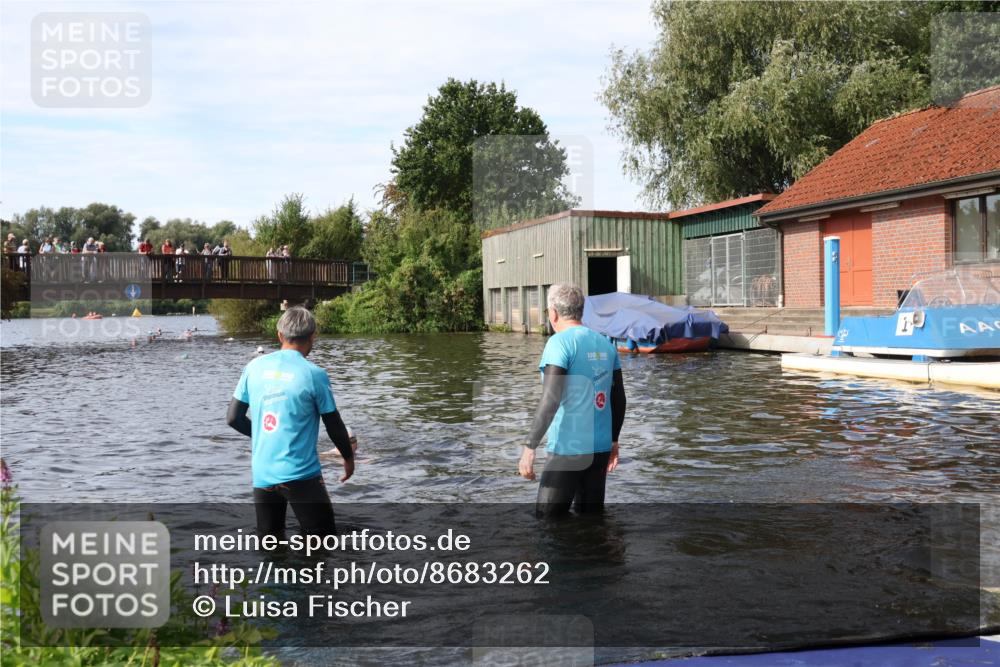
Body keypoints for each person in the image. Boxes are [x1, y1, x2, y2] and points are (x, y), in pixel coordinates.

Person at [226, 306, 355, 537]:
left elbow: (233, 418)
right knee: (322, 545)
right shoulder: (314, 374)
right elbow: (334, 423)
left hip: (263, 475)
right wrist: (348, 458)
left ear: (279, 335)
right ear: (312, 336)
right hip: (302, 476)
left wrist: (265, 435)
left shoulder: (253, 367)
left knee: (271, 546)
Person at [518, 283, 627, 517]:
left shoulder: (559, 343)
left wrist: (530, 447)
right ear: (581, 311)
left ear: (553, 313)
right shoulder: (606, 345)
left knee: (547, 523)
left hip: (568, 449)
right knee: (591, 522)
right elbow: (619, 399)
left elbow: (551, 397)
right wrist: (614, 441)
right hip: (599, 448)